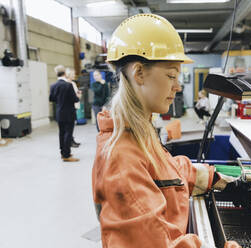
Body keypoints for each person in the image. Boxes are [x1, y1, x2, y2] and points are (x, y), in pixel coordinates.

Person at [92, 14, 241, 248]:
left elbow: (167, 172)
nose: (178, 85)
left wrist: (211, 176)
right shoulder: (122, 159)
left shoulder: (139, 132)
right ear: (139, 73)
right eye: (171, 75)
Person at [49, 65, 80, 162]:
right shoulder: (68, 85)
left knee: (61, 133)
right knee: (68, 133)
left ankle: (63, 152)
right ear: (65, 74)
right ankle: (66, 155)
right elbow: (75, 99)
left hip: (59, 112)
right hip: (69, 113)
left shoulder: (53, 86)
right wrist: (78, 95)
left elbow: (51, 99)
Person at [65, 68, 82, 148]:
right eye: (72, 74)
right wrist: (77, 96)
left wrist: (78, 94)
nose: (74, 75)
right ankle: (69, 141)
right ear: (68, 74)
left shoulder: (73, 83)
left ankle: (71, 140)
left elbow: (75, 93)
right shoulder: (66, 84)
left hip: (74, 106)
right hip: (69, 107)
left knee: (72, 125)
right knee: (69, 126)